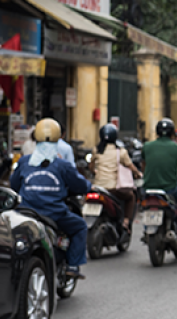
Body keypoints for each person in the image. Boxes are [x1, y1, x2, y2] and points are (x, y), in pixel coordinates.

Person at [11, 119, 91, 279]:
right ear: (58, 136)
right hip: (54, 213)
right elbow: (80, 185)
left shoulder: (24, 161)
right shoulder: (62, 165)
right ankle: (73, 266)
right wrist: (89, 186)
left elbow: (14, 184)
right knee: (80, 226)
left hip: (26, 212)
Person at [90, 124, 142, 231]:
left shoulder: (96, 150)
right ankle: (126, 222)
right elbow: (131, 166)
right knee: (131, 196)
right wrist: (138, 173)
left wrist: (95, 172)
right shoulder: (121, 152)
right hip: (113, 189)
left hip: (98, 187)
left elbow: (91, 166)